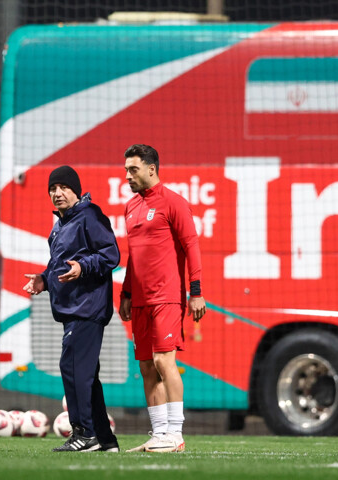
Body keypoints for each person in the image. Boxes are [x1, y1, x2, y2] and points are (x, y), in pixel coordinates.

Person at [22, 165, 121, 452]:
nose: (57, 193)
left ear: (76, 190)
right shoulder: (61, 224)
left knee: (73, 368)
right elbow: (61, 266)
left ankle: (84, 433)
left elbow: (110, 254)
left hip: (87, 308)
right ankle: (104, 440)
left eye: (63, 187)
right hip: (73, 309)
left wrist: (83, 267)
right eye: (52, 189)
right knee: (86, 375)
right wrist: (44, 279)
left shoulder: (90, 215)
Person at [119, 144, 206, 453]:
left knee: (163, 360)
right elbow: (133, 256)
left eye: (133, 169)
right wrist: (126, 292)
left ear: (151, 169)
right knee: (145, 367)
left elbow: (192, 246)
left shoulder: (175, 203)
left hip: (167, 297)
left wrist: (196, 292)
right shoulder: (130, 207)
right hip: (140, 299)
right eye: (126, 170)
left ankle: (176, 435)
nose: (127, 175)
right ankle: (159, 435)